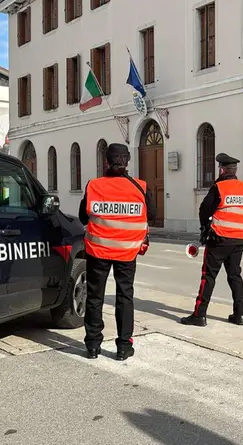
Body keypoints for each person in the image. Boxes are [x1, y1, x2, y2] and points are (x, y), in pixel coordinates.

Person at [78, 143, 155, 360]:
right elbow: (153, 214)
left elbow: (83, 217)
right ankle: (123, 347)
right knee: (124, 296)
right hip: (127, 252)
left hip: (98, 250)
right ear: (128, 160)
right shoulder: (140, 186)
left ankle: (92, 346)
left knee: (94, 297)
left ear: (106, 161)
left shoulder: (94, 185)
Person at [181, 153, 243, 327]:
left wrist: (204, 228)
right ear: (234, 170)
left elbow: (204, 210)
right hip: (239, 239)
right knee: (235, 275)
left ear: (221, 169)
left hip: (219, 238)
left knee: (208, 276)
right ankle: (239, 314)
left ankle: (200, 314)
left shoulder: (219, 187)